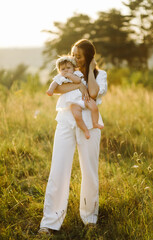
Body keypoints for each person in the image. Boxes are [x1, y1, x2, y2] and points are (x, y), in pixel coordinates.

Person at [39, 39, 107, 235]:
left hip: (89, 126)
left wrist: (92, 70)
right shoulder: (67, 71)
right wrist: (78, 87)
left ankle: (90, 217)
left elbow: (93, 93)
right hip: (65, 122)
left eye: (79, 55)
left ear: (89, 56)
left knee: (90, 171)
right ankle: (50, 222)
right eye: (73, 54)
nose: (74, 58)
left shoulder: (100, 75)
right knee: (58, 169)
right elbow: (57, 88)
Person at [46, 55, 103, 139]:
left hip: (83, 98)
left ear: (73, 68)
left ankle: (95, 122)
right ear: (59, 71)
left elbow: (78, 81)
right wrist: (50, 90)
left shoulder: (76, 74)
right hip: (73, 102)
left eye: (68, 68)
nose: (66, 70)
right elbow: (54, 83)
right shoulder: (60, 77)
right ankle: (85, 130)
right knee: (77, 116)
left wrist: (70, 76)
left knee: (94, 107)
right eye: (63, 69)